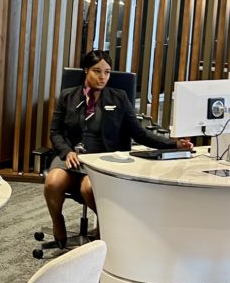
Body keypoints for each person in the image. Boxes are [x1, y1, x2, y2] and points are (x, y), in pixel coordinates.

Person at [44, 49, 193, 245]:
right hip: (71, 157)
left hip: (100, 160)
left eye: (107, 72)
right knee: (53, 182)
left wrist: (174, 144)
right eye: (97, 71)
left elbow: (140, 134)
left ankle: (106, 228)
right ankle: (58, 221)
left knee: (90, 188)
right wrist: (67, 151)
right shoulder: (67, 97)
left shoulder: (119, 98)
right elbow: (55, 132)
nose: (102, 77)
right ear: (86, 70)